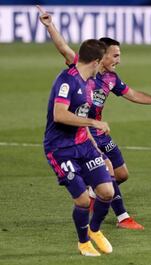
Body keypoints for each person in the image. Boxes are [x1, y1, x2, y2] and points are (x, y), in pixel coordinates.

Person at [37, 6, 151, 230]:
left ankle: (94, 192)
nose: (118, 60)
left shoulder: (111, 79)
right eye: (115, 55)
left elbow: (133, 94)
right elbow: (63, 48)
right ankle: (123, 217)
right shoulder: (81, 68)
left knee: (122, 174)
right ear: (101, 57)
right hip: (84, 132)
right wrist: (49, 26)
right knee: (109, 171)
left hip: (101, 132)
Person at [44, 38, 115, 256]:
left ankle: (94, 230)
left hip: (84, 145)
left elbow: (63, 47)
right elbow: (59, 115)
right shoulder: (68, 81)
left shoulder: (88, 80)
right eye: (102, 62)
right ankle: (83, 242)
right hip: (60, 149)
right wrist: (94, 123)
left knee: (107, 191)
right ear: (95, 61)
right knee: (83, 199)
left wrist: (99, 151)